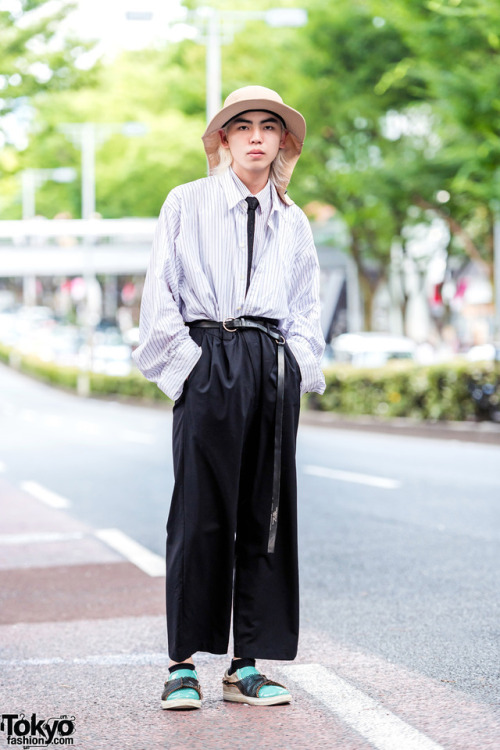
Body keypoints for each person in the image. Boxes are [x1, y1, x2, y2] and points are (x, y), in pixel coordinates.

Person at [133, 85, 326, 709]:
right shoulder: (186, 203)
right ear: (221, 140)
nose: (255, 136)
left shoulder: (293, 222)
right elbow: (160, 291)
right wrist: (188, 366)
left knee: (265, 516)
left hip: (270, 364)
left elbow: (306, 307)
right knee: (197, 512)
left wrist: (295, 368)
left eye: (269, 127)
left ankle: (247, 665)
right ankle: (182, 663)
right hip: (206, 355)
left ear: (283, 143)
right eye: (241, 125)